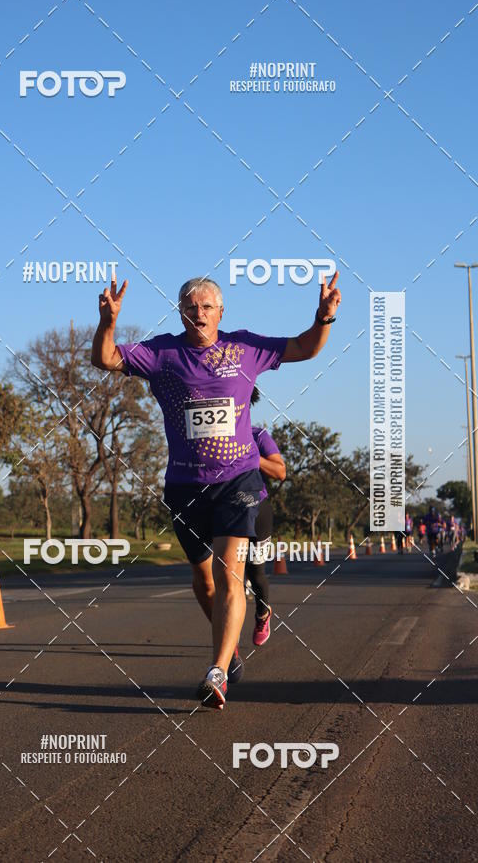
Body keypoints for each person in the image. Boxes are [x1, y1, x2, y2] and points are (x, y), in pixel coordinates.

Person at [91, 271, 341, 709]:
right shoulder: (162, 353)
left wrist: (323, 318)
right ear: (181, 313)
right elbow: (105, 358)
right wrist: (107, 321)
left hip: (237, 481)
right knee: (203, 580)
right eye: (191, 306)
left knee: (230, 573)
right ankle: (230, 647)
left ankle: (218, 671)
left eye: (207, 306)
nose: (199, 313)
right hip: (185, 485)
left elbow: (305, 347)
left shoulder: (244, 347)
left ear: (220, 312)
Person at [245, 389, 286, 646]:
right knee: (226, 575)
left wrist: (252, 458)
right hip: (223, 509)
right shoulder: (212, 437)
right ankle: (227, 643)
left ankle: (262, 613)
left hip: (257, 509)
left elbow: (280, 471)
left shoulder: (258, 436)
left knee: (256, 573)